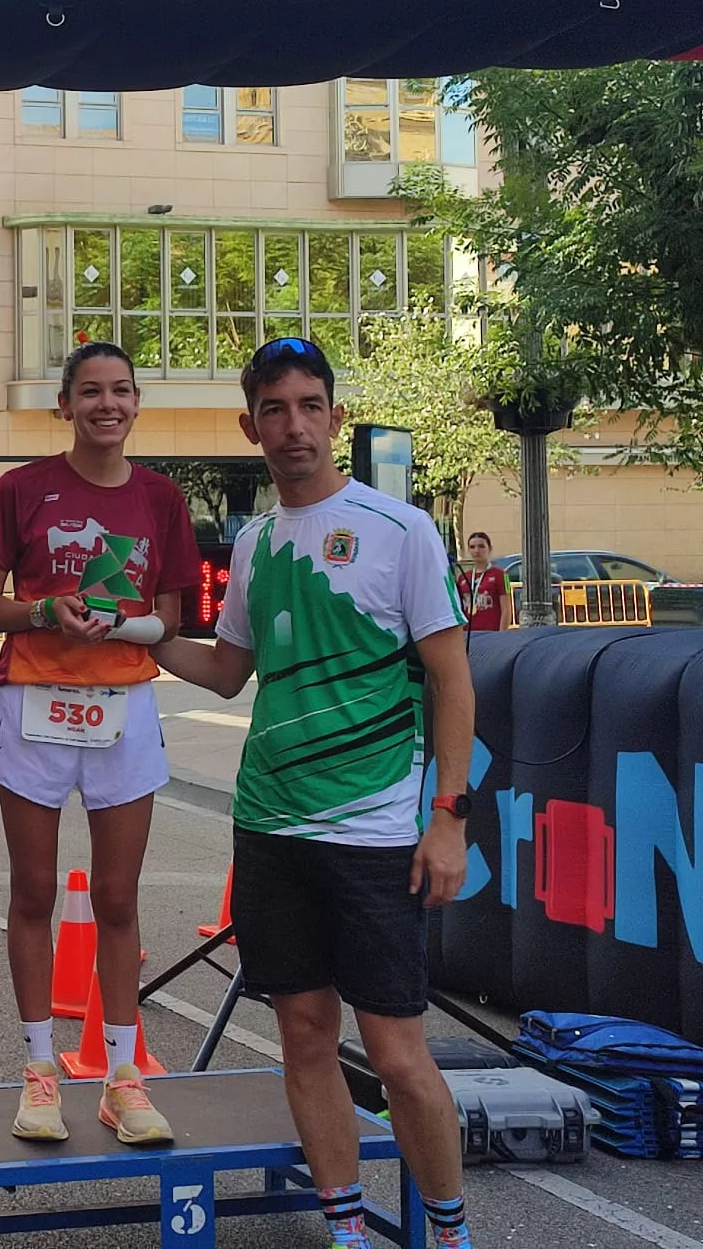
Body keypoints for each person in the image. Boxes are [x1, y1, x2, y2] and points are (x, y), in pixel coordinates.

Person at [150, 336, 477, 1249]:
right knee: (302, 1037)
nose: (293, 426)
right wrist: (139, 635)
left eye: (308, 407)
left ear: (335, 416)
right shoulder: (256, 543)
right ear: (249, 426)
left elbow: (453, 680)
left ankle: (450, 1234)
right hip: (269, 828)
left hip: (374, 832)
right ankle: (346, 1231)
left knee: (398, 1055)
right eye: (274, 410)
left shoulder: (401, 530)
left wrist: (448, 817)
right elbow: (227, 672)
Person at [0, 341, 201, 1147]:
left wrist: (118, 624)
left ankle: (122, 1078)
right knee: (34, 890)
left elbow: (170, 618)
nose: (109, 404)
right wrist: (47, 611)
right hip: (33, 702)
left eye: (122, 390)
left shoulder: (161, 498)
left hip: (123, 707)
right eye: (91, 392)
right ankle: (39, 1070)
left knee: (119, 898)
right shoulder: (21, 488)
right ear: (65, 405)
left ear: (137, 403)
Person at [458, 532, 508, 632]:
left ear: (490, 548)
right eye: (472, 547)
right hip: (468, 633)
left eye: (481, 546)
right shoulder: (463, 577)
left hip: (491, 633)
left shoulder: (502, 575)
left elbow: (506, 609)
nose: (476, 551)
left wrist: (501, 634)